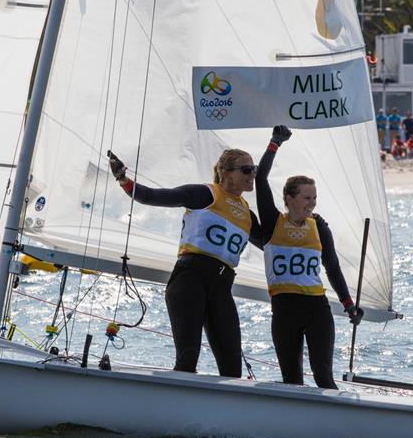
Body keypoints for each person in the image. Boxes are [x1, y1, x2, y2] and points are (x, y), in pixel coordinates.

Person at [108, 146, 264, 378]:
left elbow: (272, 242)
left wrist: (307, 224)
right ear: (227, 173)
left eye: (255, 170)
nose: (253, 175)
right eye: (247, 170)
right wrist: (123, 179)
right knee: (187, 358)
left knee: (232, 368)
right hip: (190, 278)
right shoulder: (205, 194)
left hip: (221, 287)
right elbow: (151, 196)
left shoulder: (247, 214)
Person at [256, 126, 362, 388]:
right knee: (292, 379)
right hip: (284, 308)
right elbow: (260, 180)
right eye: (306, 197)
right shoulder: (272, 223)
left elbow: (333, 268)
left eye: (314, 197)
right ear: (289, 198)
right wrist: (274, 144)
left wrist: (348, 304)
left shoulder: (319, 226)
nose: (312, 203)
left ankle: (338, 425)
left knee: (323, 377)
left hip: (317, 307)